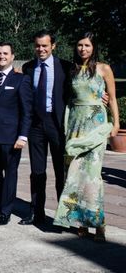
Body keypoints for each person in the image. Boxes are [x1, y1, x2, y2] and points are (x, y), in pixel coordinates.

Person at [53, 33, 120, 241]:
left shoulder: (104, 68)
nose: (83, 49)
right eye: (80, 45)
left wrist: (116, 123)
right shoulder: (71, 69)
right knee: (73, 175)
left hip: (96, 125)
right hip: (74, 124)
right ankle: (81, 221)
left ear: (93, 47)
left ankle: (98, 224)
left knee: (92, 177)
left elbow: (113, 97)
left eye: (87, 45)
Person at [19, 30, 72, 226]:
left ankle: (63, 217)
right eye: (38, 46)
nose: (41, 49)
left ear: (53, 46)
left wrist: (102, 96)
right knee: (37, 171)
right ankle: (36, 212)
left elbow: (79, 90)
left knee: (61, 172)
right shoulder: (28, 68)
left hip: (57, 124)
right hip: (36, 125)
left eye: (45, 46)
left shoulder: (65, 67)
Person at [0, 42, 32, 226]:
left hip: (11, 137)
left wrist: (23, 136)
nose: (1, 56)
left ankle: (6, 211)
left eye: (5, 53)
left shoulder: (21, 80)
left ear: (12, 56)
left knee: (10, 174)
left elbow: (27, 111)